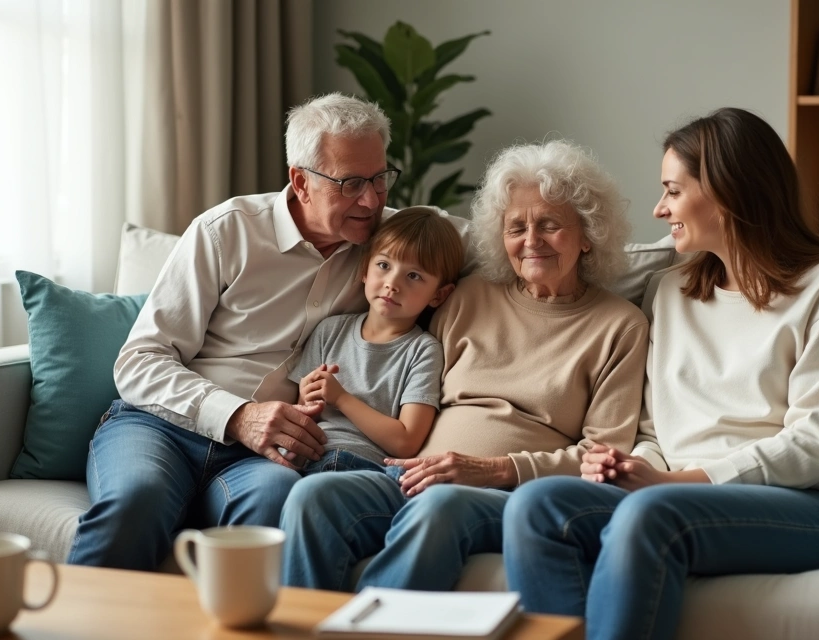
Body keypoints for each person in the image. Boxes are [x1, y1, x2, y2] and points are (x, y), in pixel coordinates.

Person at [502, 108, 819, 640]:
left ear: (728, 191)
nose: (659, 207)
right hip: (681, 493)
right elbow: (653, 430)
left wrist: (670, 484)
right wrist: (631, 467)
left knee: (651, 515)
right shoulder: (671, 292)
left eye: (672, 190)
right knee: (538, 504)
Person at [280, 139, 651, 592]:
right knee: (313, 497)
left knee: (440, 507)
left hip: (503, 495)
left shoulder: (619, 325)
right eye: (516, 227)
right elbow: (400, 367)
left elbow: (602, 458)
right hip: (409, 475)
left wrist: (494, 469)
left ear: (589, 234)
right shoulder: (469, 296)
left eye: (550, 225)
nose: (531, 241)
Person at [66, 93, 417, 570]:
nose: (372, 200)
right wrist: (238, 416)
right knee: (138, 500)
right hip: (161, 427)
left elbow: (487, 242)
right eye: (351, 183)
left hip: (263, 459)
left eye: (380, 178)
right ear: (301, 181)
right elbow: (140, 360)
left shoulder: (393, 245)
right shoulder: (226, 231)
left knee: (276, 502)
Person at [289, 207, 465, 476]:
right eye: (384, 266)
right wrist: (307, 395)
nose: (392, 283)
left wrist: (342, 398)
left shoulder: (423, 351)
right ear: (365, 270)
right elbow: (302, 410)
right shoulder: (329, 331)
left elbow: (406, 442)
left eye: (414, 276)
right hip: (305, 457)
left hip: (359, 465)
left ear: (439, 295)